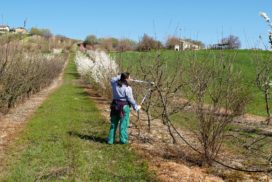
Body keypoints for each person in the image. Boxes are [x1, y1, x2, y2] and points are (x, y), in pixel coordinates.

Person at [107, 72, 141, 144]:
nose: (130, 79)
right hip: (124, 107)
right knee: (123, 124)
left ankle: (110, 140)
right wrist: (136, 107)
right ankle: (123, 140)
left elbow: (113, 79)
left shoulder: (114, 83)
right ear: (126, 79)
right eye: (129, 78)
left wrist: (121, 76)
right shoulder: (128, 88)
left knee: (113, 123)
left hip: (114, 106)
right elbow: (130, 99)